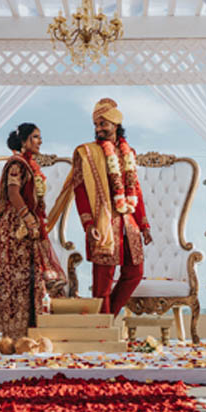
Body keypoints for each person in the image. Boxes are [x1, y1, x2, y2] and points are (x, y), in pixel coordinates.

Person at [0, 123, 67, 338]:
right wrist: (28, 218)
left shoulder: (31, 165)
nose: (40, 141)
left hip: (29, 226)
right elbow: (13, 193)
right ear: (24, 141)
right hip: (17, 228)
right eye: (36, 137)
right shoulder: (16, 164)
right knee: (14, 276)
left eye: (40, 137)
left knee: (33, 275)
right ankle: (12, 329)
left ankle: (32, 328)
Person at [55, 98, 152, 315]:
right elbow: (80, 190)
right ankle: (102, 331)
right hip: (104, 223)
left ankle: (106, 318)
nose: (98, 129)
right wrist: (88, 224)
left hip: (129, 222)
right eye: (96, 125)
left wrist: (144, 224)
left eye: (103, 124)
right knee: (102, 283)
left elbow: (135, 189)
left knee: (135, 272)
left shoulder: (129, 153)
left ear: (115, 125)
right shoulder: (87, 153)